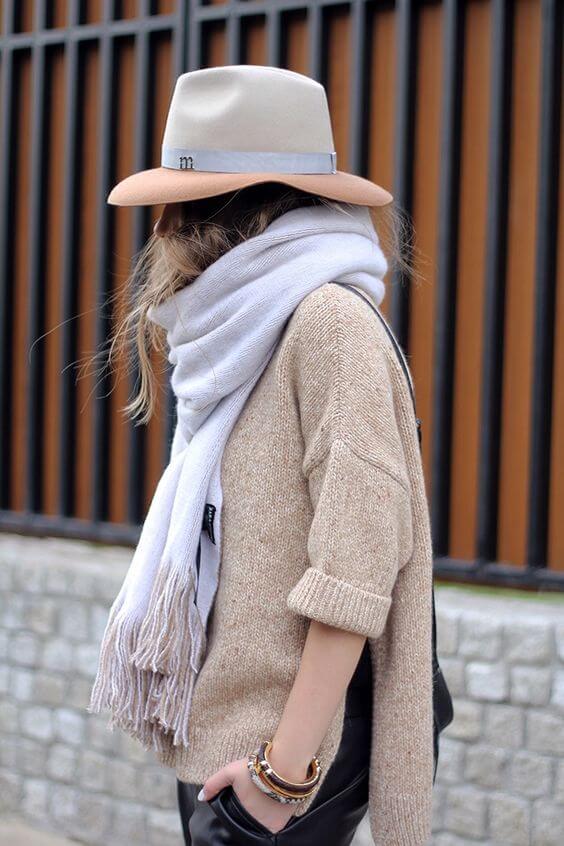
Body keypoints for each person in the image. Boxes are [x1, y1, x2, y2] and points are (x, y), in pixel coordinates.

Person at [88, 65, 435, 846]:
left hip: (291, 762)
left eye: (168, 208)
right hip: (224, 741)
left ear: (201, 209)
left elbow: (357, 567)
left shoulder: (325, 323)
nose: (160, 232)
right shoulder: (239, 327)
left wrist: (281, 776)